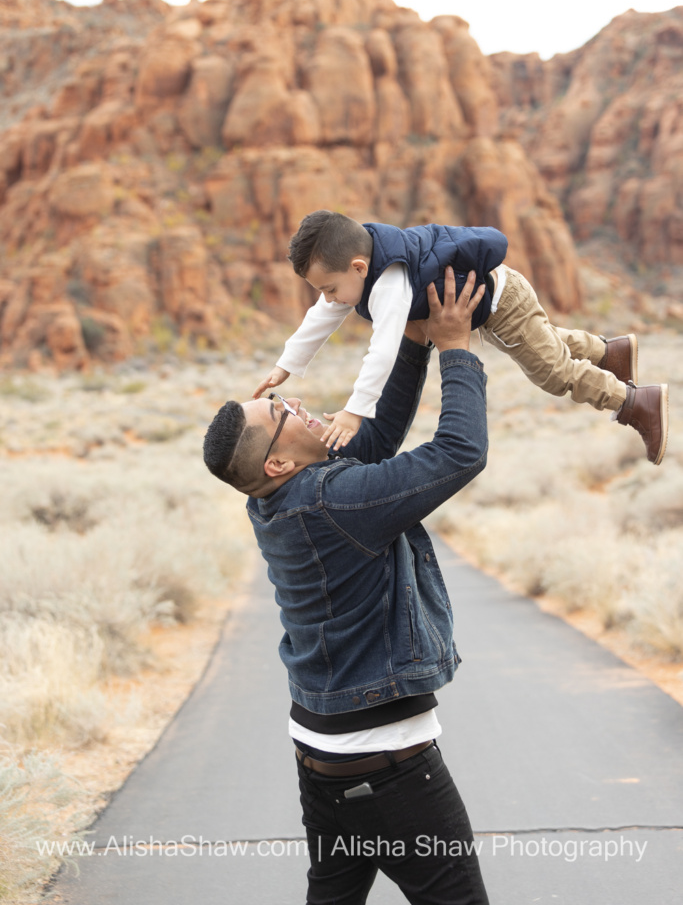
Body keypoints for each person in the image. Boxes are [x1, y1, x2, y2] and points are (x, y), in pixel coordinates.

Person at [204, 269, 491, 904]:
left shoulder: (277, 501)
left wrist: (412, 343)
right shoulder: (334, 501)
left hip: (321, 755)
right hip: (387, 765)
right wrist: (455, 349)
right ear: (279, 461)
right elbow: (460, 452)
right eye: (282, 412)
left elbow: (376, 441)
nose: (296, 403)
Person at [254, 210, 668, 465]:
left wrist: (354, 412)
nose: (328, 299)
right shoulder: (362, 270)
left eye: (329, 288)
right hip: (497, 297)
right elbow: (321, 316)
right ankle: (610, 351)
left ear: (359, 267)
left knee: (552, 372)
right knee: (542, 340)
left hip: (501, 303)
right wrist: (284, 366)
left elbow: (381, 351)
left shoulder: (387, 286)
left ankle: (635, 402)